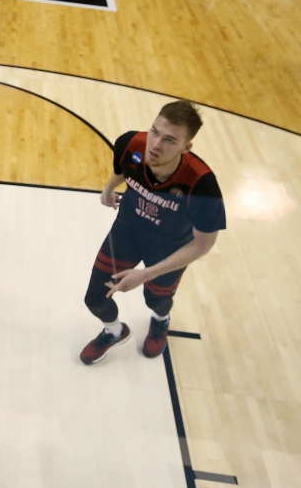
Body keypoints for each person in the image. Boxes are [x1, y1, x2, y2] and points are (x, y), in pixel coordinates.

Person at [79, 101, 225, 364]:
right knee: (94, 298)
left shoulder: (202, 185)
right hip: (127, 233)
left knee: (154, 301)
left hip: (169, 249)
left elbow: (202, 245)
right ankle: (114, 331)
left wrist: (145, 274)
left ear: (186, 147)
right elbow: (124, 168)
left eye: (169, 140)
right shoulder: (130, 145)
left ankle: (161, 320)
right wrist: (109, 187)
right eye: (155, 132)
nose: (155, 145)